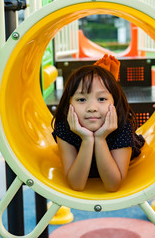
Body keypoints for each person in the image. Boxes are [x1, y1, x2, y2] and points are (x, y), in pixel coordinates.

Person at [52, 54, 145, 192]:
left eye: (101, 99)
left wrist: (100, 138)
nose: (92, 108)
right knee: (99, 88)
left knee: (102, 88)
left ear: (115, 103)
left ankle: (108, 81)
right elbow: (76, 184)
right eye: (81, 100)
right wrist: (87, 139)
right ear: (69, 103)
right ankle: (104, 83)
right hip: (83, 146)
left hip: (113, 141)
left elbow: (113, 185)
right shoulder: (65, 126)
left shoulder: (122, 125)